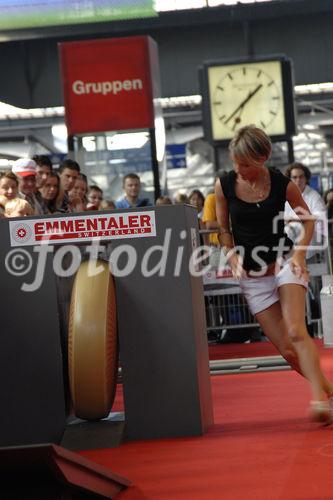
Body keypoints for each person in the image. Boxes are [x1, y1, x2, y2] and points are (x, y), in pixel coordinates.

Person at [215, 124, 333, 423]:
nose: (239, 169)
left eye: (245, 164)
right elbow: (223, 230)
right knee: (287, 352)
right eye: (235, 162)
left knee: (296, 331)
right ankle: (329, 395)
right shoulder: (225, 185)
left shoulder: (282, 183)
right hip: (252, 278)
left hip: (285, 263)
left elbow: (308, 221)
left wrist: (300, 254)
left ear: (262, 158)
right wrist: (231, 256)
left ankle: (318, 401)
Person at [284, 163, 327, 259]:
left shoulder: (313, 196)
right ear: (289, 179)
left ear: (306, 178)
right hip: (290, 241)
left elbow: (320, 215)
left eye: (301, 177)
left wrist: (298, 220)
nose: (298, 180)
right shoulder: (285, 197)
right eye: (294, 177)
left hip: (311, 239)